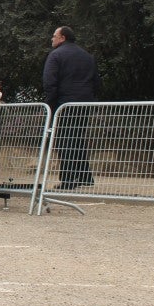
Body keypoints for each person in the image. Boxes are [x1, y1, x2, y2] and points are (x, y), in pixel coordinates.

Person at [44, 26, 101, 189]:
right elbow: (96, 82)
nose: (52, 39)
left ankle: (68, 179)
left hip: (64, 103)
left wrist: (50, 104)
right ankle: (85, 177)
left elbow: (49, 82)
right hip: (85, 103)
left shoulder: (55, 55)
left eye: (54, 36)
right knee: (78, 138)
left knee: (64, 140)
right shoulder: (87, 56)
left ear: (62, 38)